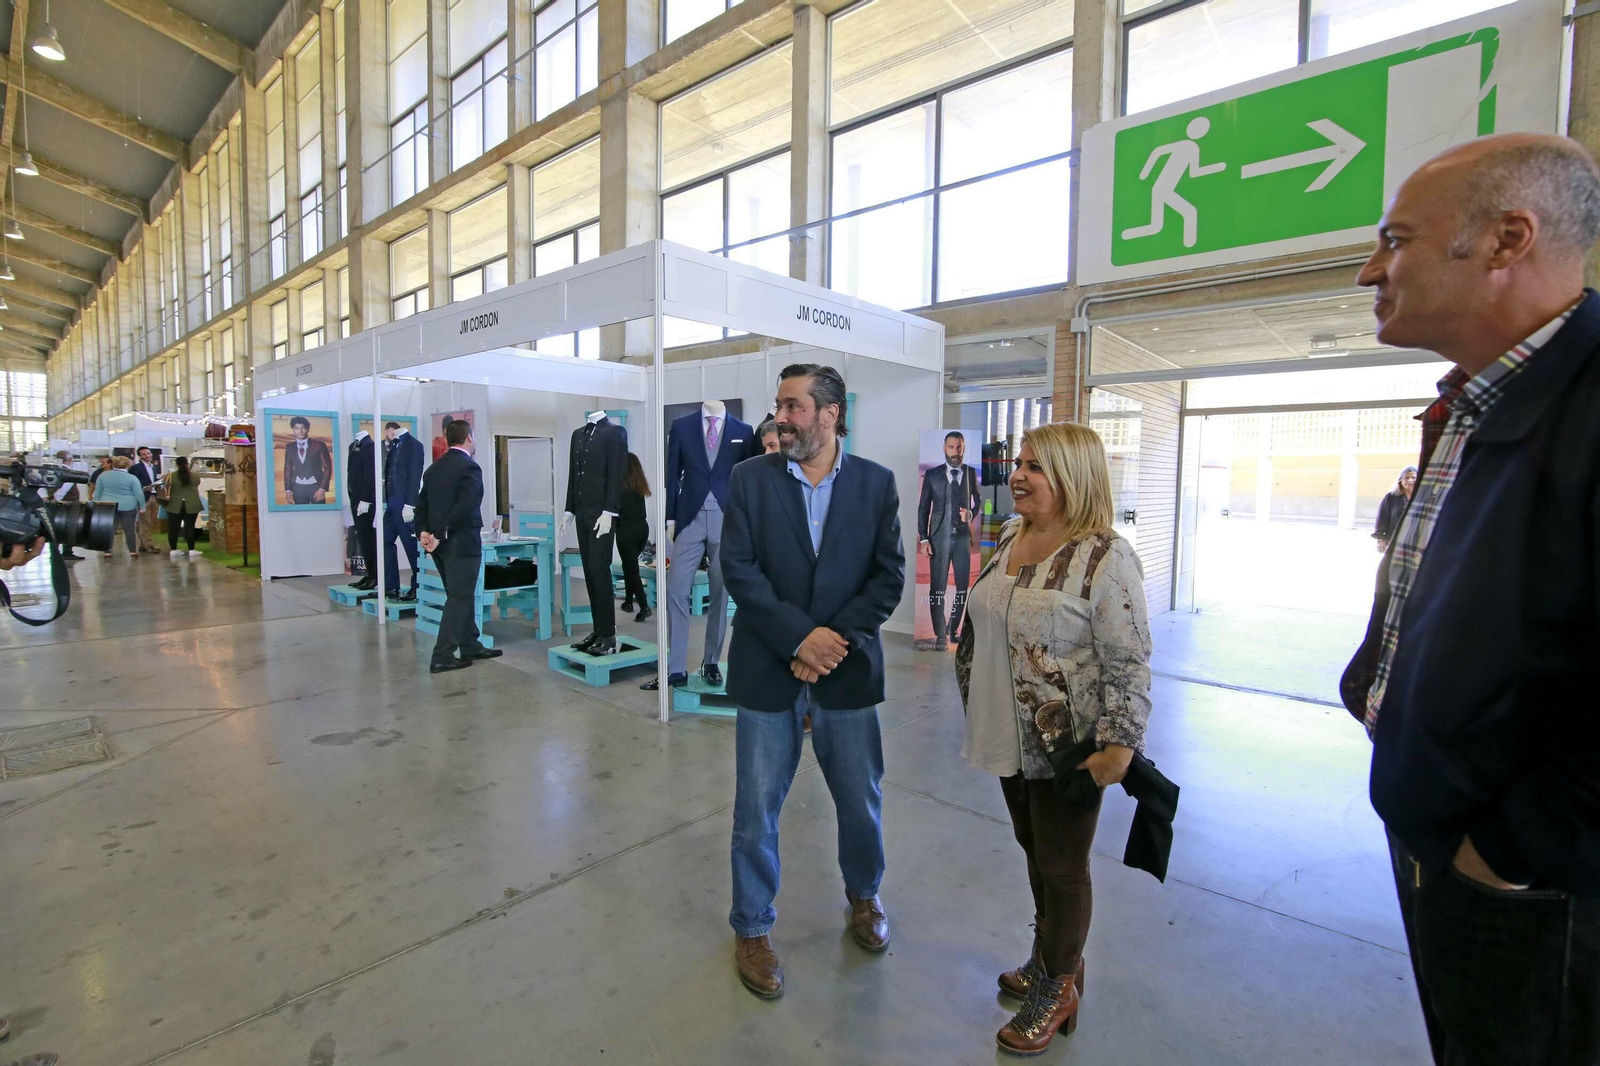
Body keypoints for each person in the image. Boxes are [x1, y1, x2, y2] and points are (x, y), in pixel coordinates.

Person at [1341, 133, 1600, 1066]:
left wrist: (1509, 849)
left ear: (1506, 240)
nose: (1371, 270)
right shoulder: (1473, 402)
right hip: (1435, 821)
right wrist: (1374, 685)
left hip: (1532, 881)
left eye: (1397, 239)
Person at [953, 422, 1152, 1056]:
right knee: (1034, 849)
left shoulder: (1105, 556)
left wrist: (1119, 745)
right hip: (1005, 730)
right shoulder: (1013, 536)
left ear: (1073, 475)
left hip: (1070, 746)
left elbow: (1129, 659)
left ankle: (1059, 985)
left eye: (1035, 466)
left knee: (1063, 868)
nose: (1017, 474)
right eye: (1019, 462)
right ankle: (1050, 960)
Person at [720, 363, 906, 999]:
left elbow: (887, 577)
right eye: (779, 406)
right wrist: (801, 640)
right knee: (755, 811)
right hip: (768, 667)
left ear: (831, 413)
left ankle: (865, 897)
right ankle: (752, 927)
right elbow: (740, 571)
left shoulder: (876, 484)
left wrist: (831, 644)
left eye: (793, 406)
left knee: (860, 800)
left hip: (845, 670)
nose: (780, 418)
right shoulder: (750, 479)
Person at [415, 419, 502, 673]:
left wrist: (423, 532)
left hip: (439, 548)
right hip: (460, 543)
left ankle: (470, 644)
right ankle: (442, 655)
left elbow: (421, 506)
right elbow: (466, 505)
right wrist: (441, 532)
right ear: (469, 437)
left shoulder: (434, 469)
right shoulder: (470, 467)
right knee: (460, 597)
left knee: (460, 595)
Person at [917, 430, 981, 651]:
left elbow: (978, 501)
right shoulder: (932, 475)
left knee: (962, 587)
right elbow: (923, 508)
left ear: (964, 449)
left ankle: (953, 628)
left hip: (962, 539)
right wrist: (924, 539)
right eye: (952, 447)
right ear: (945, 448)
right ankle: (940, 635)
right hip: (938, 539)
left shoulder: (970, 473)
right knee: (938, 588)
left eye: (960, 447)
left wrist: (970, 514)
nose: (956, 451)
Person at [616, 452, 653, 624]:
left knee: (632, 570)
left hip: (626, 530)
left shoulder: (619, 487)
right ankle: (629, 602)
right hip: (642, 529)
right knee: (629, 566)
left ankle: (644, 607)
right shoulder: (639, 486)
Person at [92, 457, 147, 559]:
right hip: (128, 506)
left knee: (108, 529)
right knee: (129, 529)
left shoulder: (103, 475)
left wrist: (96, 504)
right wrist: (142, 507)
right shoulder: (132, 478)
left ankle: (107, 551)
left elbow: (98, 492)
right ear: (127, 465)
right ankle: (132, 551)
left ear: (113, 464)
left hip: (108, 505)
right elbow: (139, 494)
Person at [282, 415, 332, 505]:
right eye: (297, 428)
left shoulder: (319, 445)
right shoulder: (290, 447)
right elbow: (288, 468)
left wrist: (322, 488)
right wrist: (288, 490)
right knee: (300, 513)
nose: (300, 431)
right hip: (298, 487)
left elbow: (327, 468)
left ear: (308, 429)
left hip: (316, 486)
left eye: (303, 428)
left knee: (320, 512)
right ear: (293, 430)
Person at [162, 456, 205, 559]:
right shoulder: (195, 476)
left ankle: (173, 550)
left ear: (176, 464)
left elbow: (165, 486)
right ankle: (192, 550)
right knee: (190, 527)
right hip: (192, 504)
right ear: (187, 464)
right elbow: (197, 484)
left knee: (173, 528)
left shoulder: (170, 476)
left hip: (174, 505)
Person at [1371, 466, 1416, 553]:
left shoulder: (1422, 498)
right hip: (1394, 542)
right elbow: (1382, 519)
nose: (1410, 480)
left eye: (1413, 477)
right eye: (1406, 478)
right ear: (1400, 480)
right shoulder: (1391, 497)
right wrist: (1380, 540)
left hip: (1415, 542)